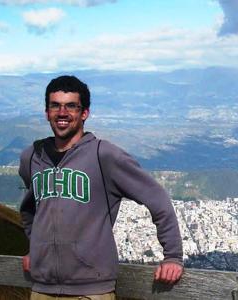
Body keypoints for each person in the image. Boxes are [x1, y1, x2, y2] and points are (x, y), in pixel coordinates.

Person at [19, 75, 184, 299]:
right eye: (55, 105)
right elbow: (31, 208)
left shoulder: (103, 155)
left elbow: (157, 198)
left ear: (84, 113)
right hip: (42, 290)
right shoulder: (32, 156)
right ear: (46, 112)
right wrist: (36, 249)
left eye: (71, 106)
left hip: (92, 291)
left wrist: (172, 256)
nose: (62, 113)